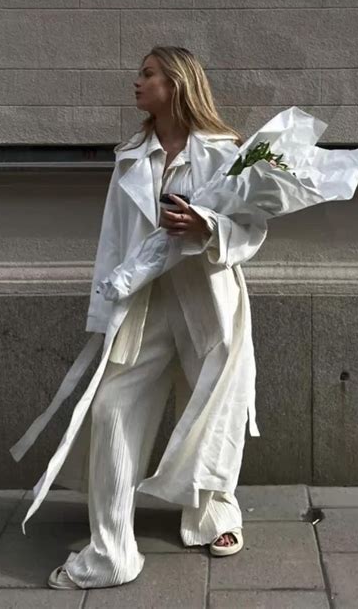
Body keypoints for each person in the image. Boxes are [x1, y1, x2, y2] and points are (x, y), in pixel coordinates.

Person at [41, 46, 269, 589]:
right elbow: (114, 239)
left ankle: (213, 513)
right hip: (144, 303)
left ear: (178, 83)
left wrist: (208, 231)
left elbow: (253, 227)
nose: (136, 83)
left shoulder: (223, 151)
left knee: (212, 409)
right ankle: (112, 551)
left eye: (147, 74)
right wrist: (104, 309)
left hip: (208, 298)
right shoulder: (132, 155)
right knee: (112, 410)